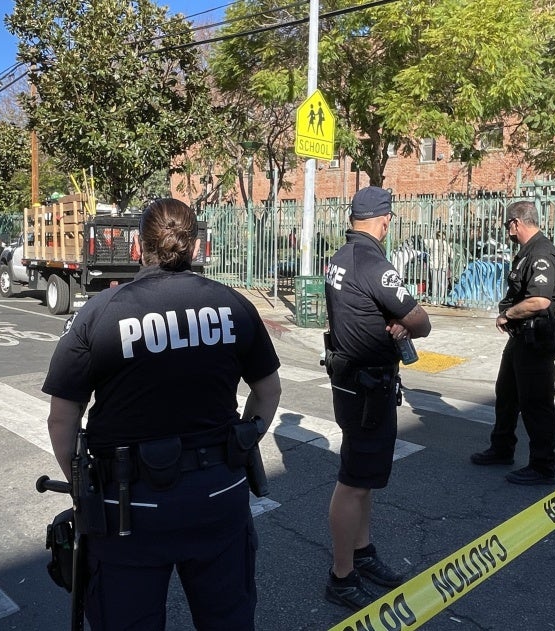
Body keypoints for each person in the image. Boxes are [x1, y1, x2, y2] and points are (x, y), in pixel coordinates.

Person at [42, 198, 282, 630]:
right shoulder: (234, 305)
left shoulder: (101, 312)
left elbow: (62, 419)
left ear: (139, 246)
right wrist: (243, 441)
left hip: (128, 508)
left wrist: (82, 488)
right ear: (195, 246)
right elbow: (267, 392)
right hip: (218, 496)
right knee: (228, 620)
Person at [322, 186, 431, 609]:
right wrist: (406, 322)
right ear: (384, 219)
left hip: (351, 381)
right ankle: (341, 575)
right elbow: (419, 322)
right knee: (352, 483)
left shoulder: (339, 258)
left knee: (362, 479)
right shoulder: (374, 263)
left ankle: (361, 553)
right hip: (368, 387)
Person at [470, 200, 555, 486]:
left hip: (536, 338)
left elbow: (540, 300)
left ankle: (542, 466)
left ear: (515, 223)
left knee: (536, 403)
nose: (507, 232)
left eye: (507, 226)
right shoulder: (528, 252)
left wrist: (506, 315)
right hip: (521, 337)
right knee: (507, 394)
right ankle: (501, 448)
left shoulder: (541, 253)